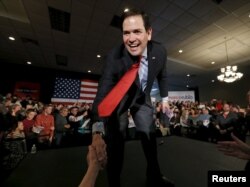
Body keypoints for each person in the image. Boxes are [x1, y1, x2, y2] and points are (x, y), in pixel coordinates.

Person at [91, 8, 174, 187]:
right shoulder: (114, 58)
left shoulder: (159, 51)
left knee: (149, 137)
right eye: (126, 33)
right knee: (115, 144)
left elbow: (163, 76)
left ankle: (154, 176)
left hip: (141, 98)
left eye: (137, 31)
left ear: (149, 33)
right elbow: (102, 95)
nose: (131, 38)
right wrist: (97, 132)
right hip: (118, 101)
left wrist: (165, 100)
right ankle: (114, 183)